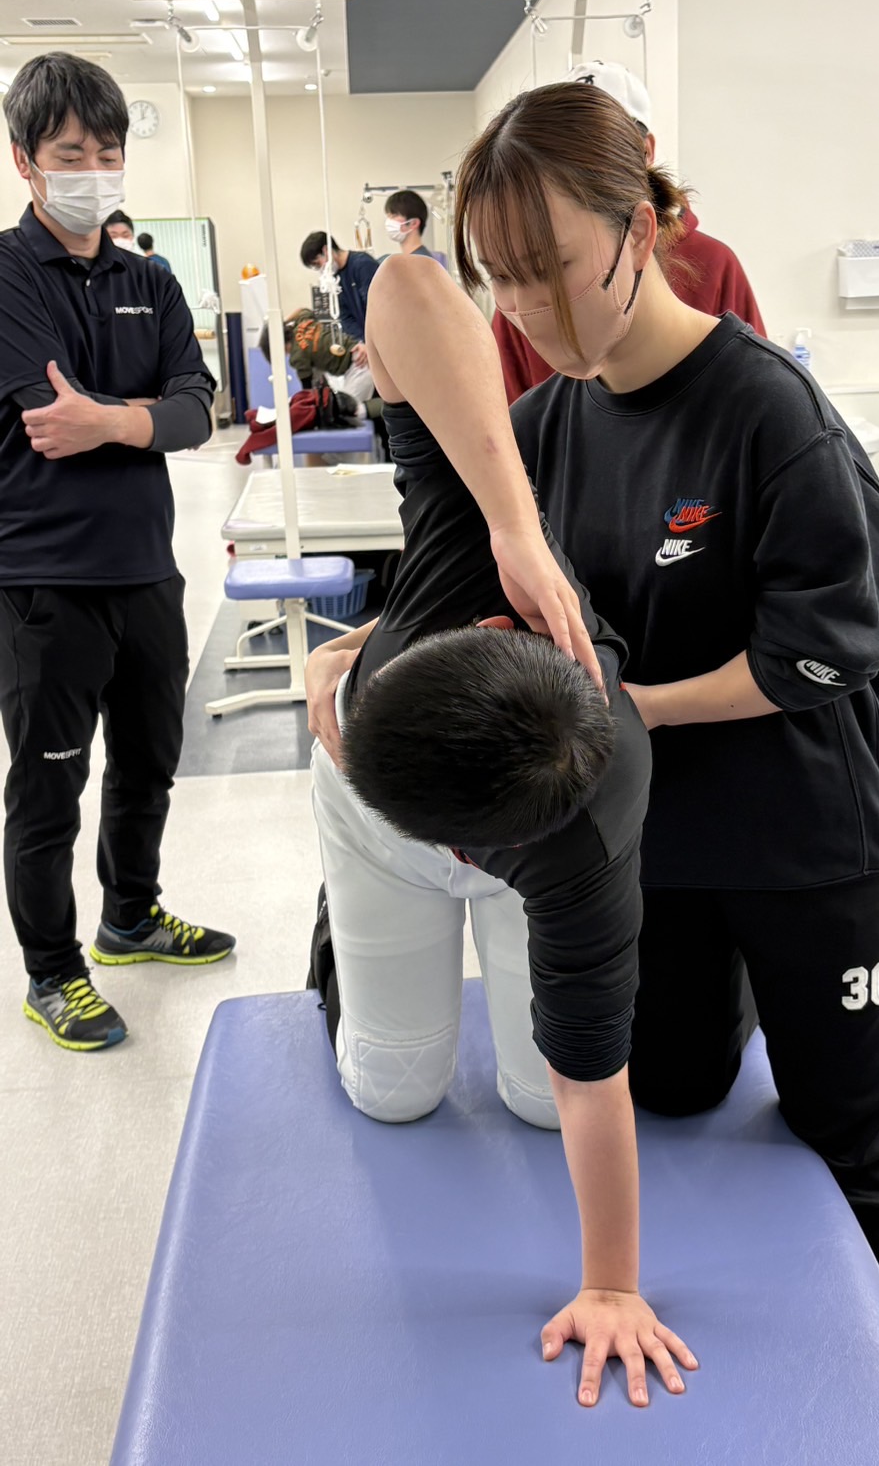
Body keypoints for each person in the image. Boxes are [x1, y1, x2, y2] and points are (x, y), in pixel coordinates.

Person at [447, 81, 879, 1318]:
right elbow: (471, 593)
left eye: (549, 269)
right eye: (499, 277)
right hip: (656, 843)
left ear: (638, 232)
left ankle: (873, 1377)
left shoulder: (768, 411)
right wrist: (356, 653)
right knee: (674, 1091)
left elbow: (835, 637)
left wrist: (638, 710)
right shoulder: (541, 428)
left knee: (844, 1134)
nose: (524, 310)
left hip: (808, 841)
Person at [306, 255, 697, 1410]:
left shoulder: (585, 848)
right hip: (366, 822)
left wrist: (611, 1285)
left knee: (536, 1097)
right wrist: (513, 525)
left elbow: (593, 1083)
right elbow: (408, 285)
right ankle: (338, 943)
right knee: (394, 1090)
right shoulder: (472, 534)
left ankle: (437, 890)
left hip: (507, 848)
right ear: (485, 626)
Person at [0, 53, 235, 1052]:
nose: (93, 171)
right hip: (43, 579)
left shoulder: (152, 279)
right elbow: (46, 416)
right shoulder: (6, 275)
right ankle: (53, 971)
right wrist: (143, 416)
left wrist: (112, 419)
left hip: (147, 566)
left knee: (149, 763)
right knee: (50, 786)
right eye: (69, 154)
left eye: (107, 153)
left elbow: (199, 408)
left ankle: (130, 916)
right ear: (25, 161)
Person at [492, 62, 767, 404]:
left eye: (602, 148)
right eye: (565, 153)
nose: (585, 170)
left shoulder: (714, 262)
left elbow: (752, 379)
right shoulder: (523, 285)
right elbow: (505, 408)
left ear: (646, 151)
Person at [258, 308, 377, 410]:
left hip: (358, 364)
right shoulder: (303, 322)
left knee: (349, 410)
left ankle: (380, 406)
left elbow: (307, 387)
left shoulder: (296, 357)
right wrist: (282, 323)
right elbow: (303, 310)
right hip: (357, 350)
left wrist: (307, 407)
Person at [299, 230, 378, 369]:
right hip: (369, 344)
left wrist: (370, 343)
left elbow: (377, 309)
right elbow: (345, 317)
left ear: (326, 250)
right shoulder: (336, 279)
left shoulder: (362, 265)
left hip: (384, 338)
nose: (321, 270)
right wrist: (362, 341)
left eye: (318, 264)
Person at [382, 189, 436, 259]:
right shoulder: (411, 259)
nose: (389, 221)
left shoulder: (420, 261)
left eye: (394, 216)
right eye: (388, 216)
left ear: (414, 223)